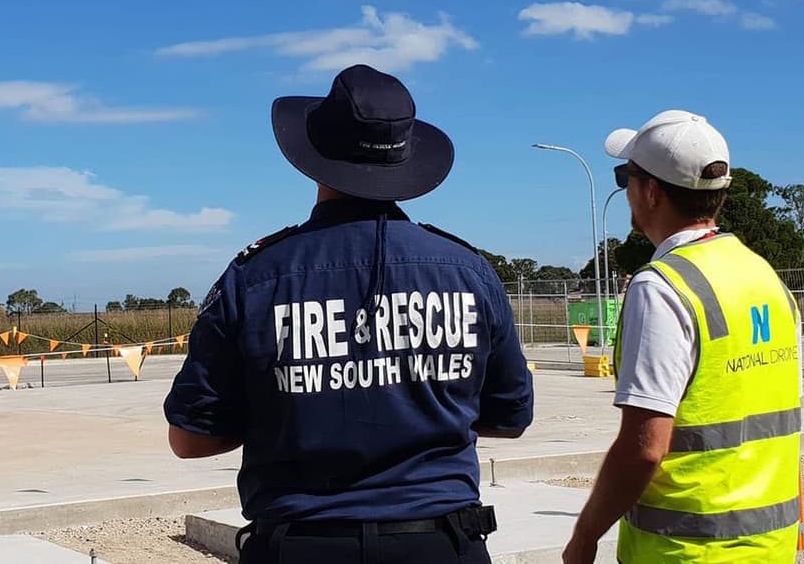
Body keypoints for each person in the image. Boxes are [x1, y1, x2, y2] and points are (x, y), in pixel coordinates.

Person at [164, 64, 534, 563]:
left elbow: (190, 440)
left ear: (312, 159)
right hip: (442, 544)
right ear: (407, 157)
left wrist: (290, 410)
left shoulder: (255, 277)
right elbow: (510, 419)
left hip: (301, 545)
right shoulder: (468, 271)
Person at [563, 111, 802, 564]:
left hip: (685, 550)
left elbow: (644, 449)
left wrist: (585, 536)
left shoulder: (662, 288)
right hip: (771, 547)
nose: (626, 190)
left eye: (625, 177)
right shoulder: (765, 277)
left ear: (651, 192)